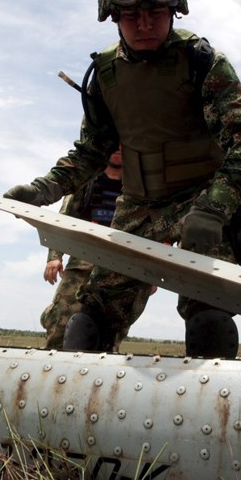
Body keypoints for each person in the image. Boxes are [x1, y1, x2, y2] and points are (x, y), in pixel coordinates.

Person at [5, 0, 241, 358]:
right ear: (113, 16)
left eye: (156, 14)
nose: (144, 24)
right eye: (131, 15)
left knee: (209, 311)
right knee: (92, 314)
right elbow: (91, 152)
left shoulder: (203, 63)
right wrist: (42, 191)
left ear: (175, 11)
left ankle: (211, 412)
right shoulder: (106, 76)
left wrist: (213, 209)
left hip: (199, 204)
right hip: (136, 207)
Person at [39, 149, 151, 350]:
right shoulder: (87, 181)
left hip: (122, 269)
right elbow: (64, 218)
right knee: (62, 321)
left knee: (112, 329)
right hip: (83, 262)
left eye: (121, 144)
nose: (117, 150)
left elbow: (150, 228)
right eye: (112, 144)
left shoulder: (138, 185)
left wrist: (151, 274)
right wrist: (54, 257)